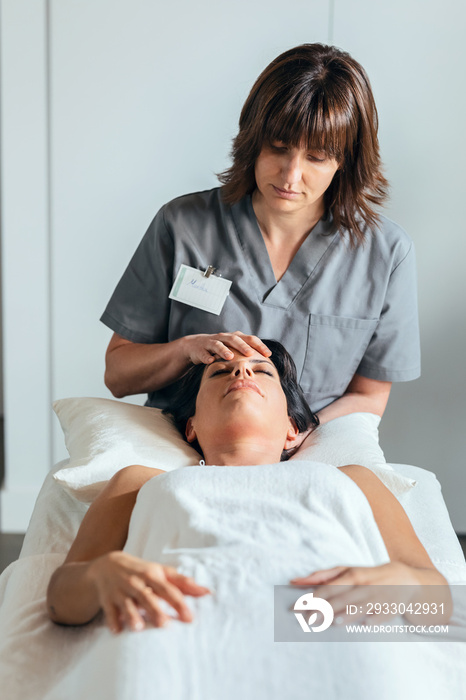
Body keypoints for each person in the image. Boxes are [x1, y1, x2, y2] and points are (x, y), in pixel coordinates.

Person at [100, 43, 420, 425]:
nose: (290, 176)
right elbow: (118, 375)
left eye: (316, 157)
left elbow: (369, 396)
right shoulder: (183, 225)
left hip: (310, 449)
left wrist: (293, 440)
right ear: (252, 140)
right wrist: (186, 350)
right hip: (185, 446)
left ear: (345, 161)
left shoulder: (385, 254)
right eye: (278, 148)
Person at [47, 342, 447, 634]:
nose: (241, 373)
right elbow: (61, 598)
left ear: (293, 430)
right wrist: (100, 576)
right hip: (178, 643)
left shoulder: (354, 478)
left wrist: (404, 585)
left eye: (262, 371)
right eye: (220, 371)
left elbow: (440, 603)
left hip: (322, 637)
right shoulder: (139, 481)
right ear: (192, 427)